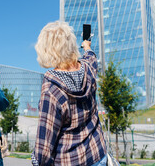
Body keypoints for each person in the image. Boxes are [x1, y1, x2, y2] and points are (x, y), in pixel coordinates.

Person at [31, 21, 107, 166]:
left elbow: (43, 150)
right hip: (98, 155)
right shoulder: (88, 69)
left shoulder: (51, 91)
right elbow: (91, 57)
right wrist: (87, 47)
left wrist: (36, 161)